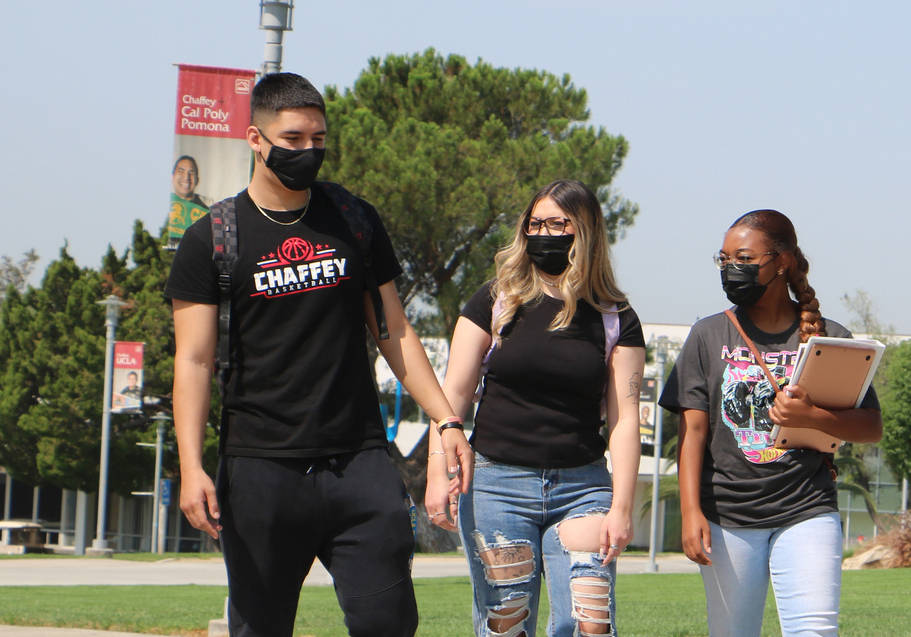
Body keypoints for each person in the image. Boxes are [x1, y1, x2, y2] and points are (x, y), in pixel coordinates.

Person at [166, 72, 471, 636]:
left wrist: (445, 417)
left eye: (319, 140)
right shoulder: (211, 239)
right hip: (261, 470)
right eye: (293, 140)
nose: (309, 152)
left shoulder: (353, 220)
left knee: (390, 622)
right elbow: (194, 362)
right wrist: (190, 466)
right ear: (255, 139)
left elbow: (394, 331)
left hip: (357, 462)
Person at [430, 180, 645, 637]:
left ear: (584, 231)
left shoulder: (615, 316)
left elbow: (626, 420)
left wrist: (622, 507)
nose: (543, 233)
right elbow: (450, 400)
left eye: (557, 224)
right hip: (496, 486)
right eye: (535, 224)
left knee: (588, 622)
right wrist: (437, 474)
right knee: (506, 625)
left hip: (583, 488)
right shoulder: (494, 301)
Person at [660, 209, 883, 637]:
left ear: (782, 262)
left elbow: (870, 427)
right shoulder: (707, 335)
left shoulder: (828, 336)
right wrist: (690, 512)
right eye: (723, 260)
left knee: (815, 632)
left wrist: (812, 417)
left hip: (806, 509)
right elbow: (692, 433)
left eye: (743, 258)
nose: (731, 270)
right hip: (726, 516)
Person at [167, 155, 209, 244]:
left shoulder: (206, 214)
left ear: (197, 180)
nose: (186, 178)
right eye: (181, 171)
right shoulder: (164, 207)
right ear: (172, 177)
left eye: (191, 173)